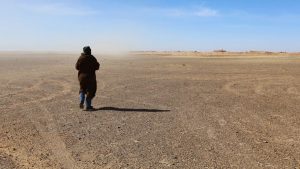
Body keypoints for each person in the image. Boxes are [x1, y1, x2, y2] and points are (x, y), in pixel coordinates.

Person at [75, 46, 100, 111]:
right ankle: (88, 106)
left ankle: (81, 100)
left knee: (82, 89)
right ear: (89, 51)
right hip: (90, 77)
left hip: (82, 77)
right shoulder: (92, 58)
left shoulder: (81, 58)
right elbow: (97, 67)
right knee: (90, 90)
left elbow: (77, 67)